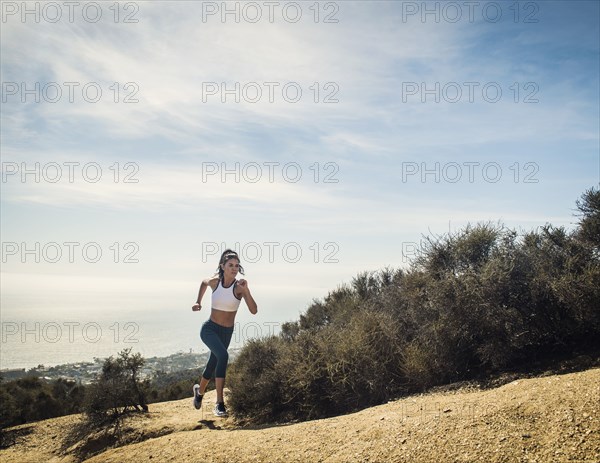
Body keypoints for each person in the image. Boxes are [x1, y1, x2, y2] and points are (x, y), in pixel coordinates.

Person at [191, 249, 257, 416]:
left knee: (213, 363)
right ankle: (219, 403)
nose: (234, 268)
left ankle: (199, 393)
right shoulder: (216, 282)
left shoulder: (239, 288)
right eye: (230, 265)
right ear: (222, 266)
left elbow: (254, 310)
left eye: (237, 265)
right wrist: (198, 302)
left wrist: (247, 291)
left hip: (227, 332)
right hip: (209, 329)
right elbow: (203, 282)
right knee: (224, 356)